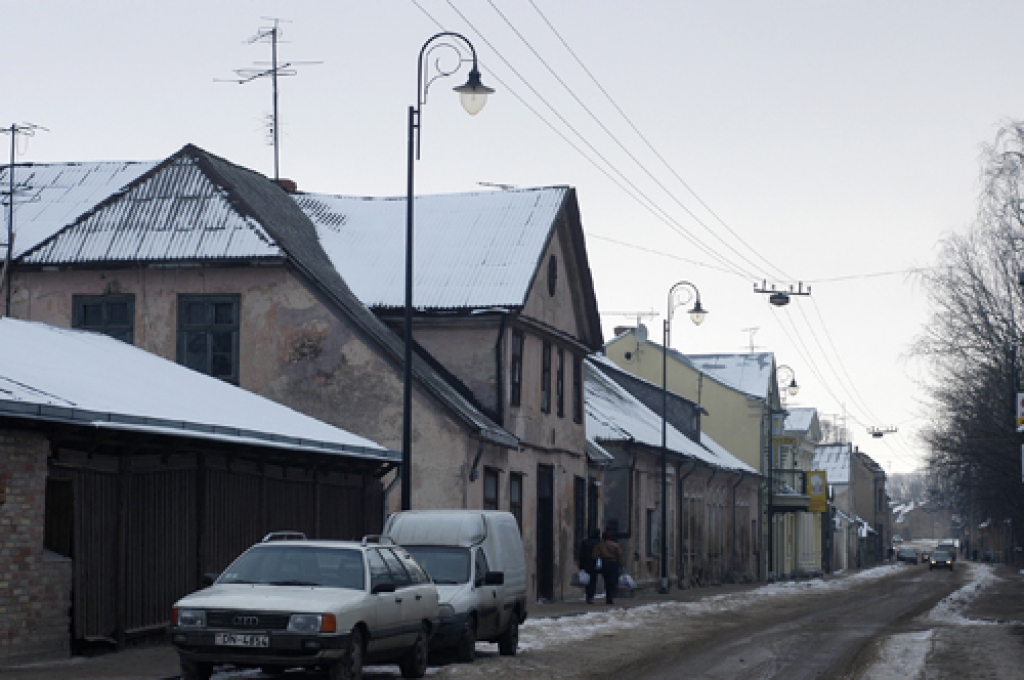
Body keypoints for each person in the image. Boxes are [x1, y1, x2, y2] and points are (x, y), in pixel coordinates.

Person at [592, 531, 625, 605]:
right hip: (613, 564)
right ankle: (611, 596)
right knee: (613, 580)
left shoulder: (599, 546)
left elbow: (594, 556)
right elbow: (619, 555)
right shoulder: (615, 545)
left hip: (605, 563)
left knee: (606, 580)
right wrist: (622, 565)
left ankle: (608, 596)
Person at [579, 530, 602, 604]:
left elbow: (581, 554)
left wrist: (581, 565)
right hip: (595, 563)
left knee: (587, 579)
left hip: (586, 563)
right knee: (593, 580)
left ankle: (588, 594)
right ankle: (591, 596)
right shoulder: (599, 542)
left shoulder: (585, 542)